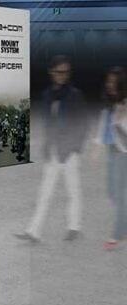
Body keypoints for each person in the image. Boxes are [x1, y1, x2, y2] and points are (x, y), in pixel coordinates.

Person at [16, 55, 89, 244]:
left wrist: (75, 147)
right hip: (54, 151)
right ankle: (34, 232)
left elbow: (83, 123)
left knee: (73, 190)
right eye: (59, 71)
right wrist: (46, 144)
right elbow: (47, 122)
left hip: (69, 152)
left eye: (66, 72)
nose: (63, 75)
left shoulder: (75, 95)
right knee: (45, 192)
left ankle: (74, 227)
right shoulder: (47, 95)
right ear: (51, 72)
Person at [95, 67, 127, 251]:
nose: (110, 85)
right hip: (111, 151)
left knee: (120, 193)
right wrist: (97, 145)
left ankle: (117, 234)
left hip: (124, 153)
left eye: (114, 82)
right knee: (111, 192)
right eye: (108, 81)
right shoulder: (109, 104)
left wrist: (120, 120)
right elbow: (103, 125)